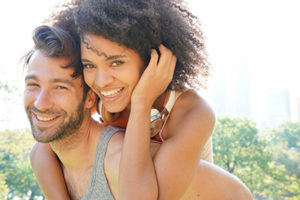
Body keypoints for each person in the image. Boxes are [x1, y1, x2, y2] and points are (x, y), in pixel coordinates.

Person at [29, 0, 253, 199]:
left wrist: (141, 104)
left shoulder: (191, 113)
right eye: (89, 65)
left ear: (150, 58)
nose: (102, 81)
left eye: (116, 62)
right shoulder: (97, 98)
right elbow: (44, 148)